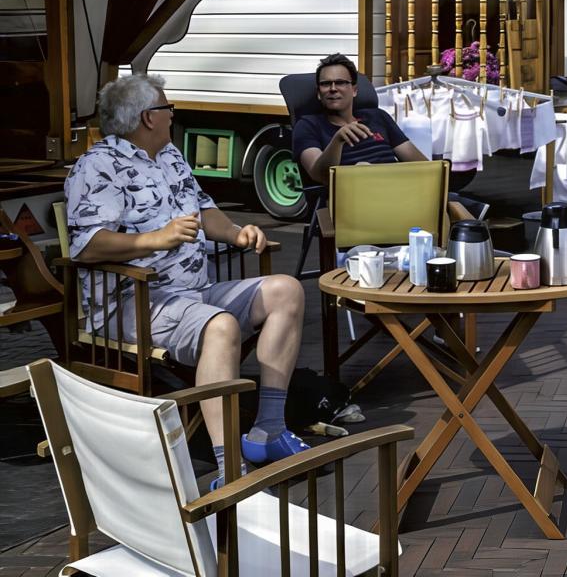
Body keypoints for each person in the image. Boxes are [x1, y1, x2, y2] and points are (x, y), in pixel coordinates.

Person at [66, 74, 309, 489]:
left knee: (287, 291)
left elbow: (203, 209)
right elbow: (86, 246)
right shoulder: (97, 167)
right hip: (134, 301)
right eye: (168, 108)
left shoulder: (169, 155)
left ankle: (267, 431)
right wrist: (154, 239)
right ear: (148, 117)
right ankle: (228, 468)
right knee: (221, 326)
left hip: (193, 292)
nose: (173, 114)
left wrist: (236, 233)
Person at [292, 53, 477, 219]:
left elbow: (420, 164)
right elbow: (319, 174)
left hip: (398, 192)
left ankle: (457, 210)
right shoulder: (308, 125)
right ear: (319, 93)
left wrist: (440, 172)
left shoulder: (377, 117)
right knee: (362, 169)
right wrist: (338, 140)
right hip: (353, 201)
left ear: (354, 90)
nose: (333, 88)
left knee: (443, 187)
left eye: (340, 82)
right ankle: (458, 209)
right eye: (326, 84)